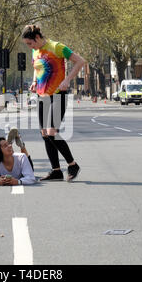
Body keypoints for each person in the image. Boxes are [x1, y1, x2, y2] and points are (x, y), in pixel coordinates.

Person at [22, 24, 85, 182]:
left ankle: (72, 164)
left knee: (51, 132)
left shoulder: (57, 47)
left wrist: (67, 80)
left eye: (30, 43)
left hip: (58, 95)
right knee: (44, 133)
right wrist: (35, 82)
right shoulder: (35, 51)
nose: (30, 46)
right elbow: (37, 69)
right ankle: (56, 170)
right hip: (42, 95)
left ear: (37, 38)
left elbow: (80, 61)